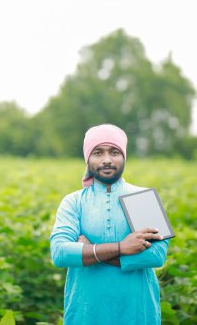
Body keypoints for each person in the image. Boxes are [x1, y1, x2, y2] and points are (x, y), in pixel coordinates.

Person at [50, 124, 169, 325]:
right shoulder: (74, 202)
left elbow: (156, 256)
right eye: (98, 152)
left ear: (124, 157)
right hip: (86, 313)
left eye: (114, 152)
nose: (107, 159)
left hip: (137, 312)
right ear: (87, 158)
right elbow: (60, 253)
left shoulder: (143, 198)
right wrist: (122, 248)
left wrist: (90, 252)